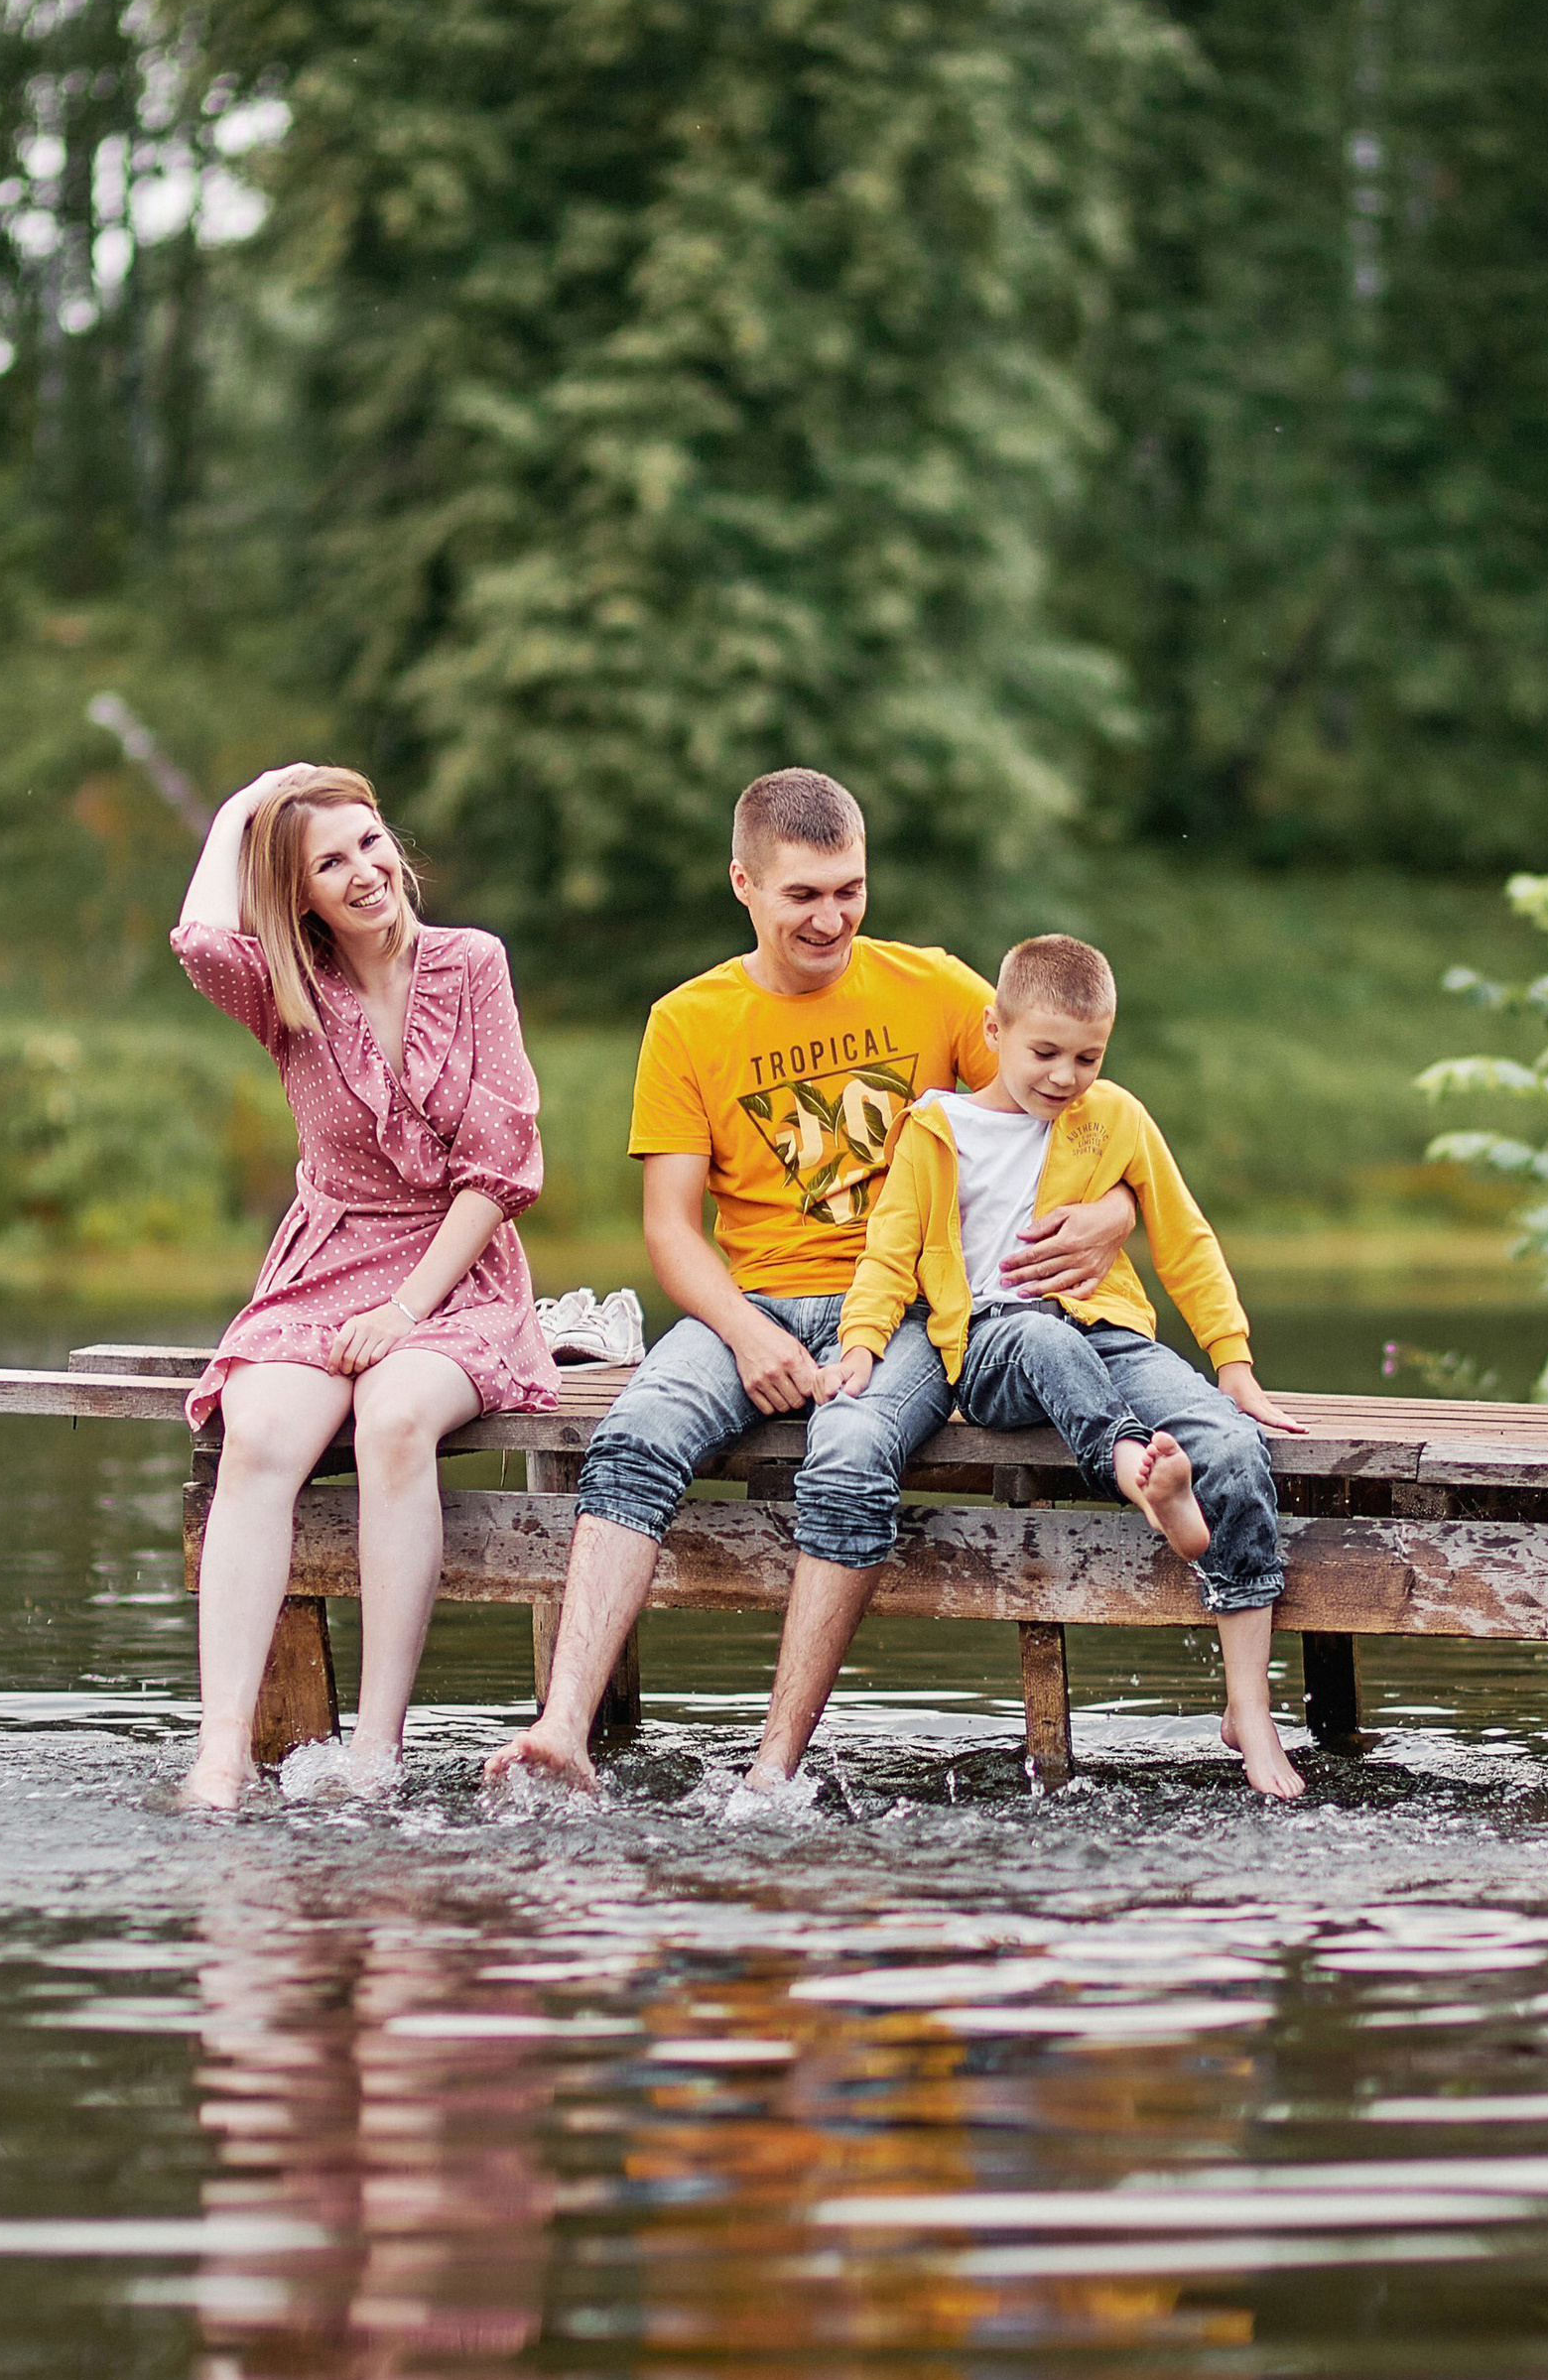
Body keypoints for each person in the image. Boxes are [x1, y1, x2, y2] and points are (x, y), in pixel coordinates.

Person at [484, 769, 1140, 1796]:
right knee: (636, 1435)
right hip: (746, 1301)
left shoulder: (938, 991)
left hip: (908, 1308)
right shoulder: (688, 1021)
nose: (831, 917)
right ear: (743, 882)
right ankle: (560, 1733)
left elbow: (1078, 1101)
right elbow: (670, 1230)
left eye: (850, 888)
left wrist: (1118, 1213)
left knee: (845, 1457)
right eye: (803, 894)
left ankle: (768, 1776)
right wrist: (746, 1335)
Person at [825, 933, 1311, 1799]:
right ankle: (1139, 1472)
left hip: (1107, 1334)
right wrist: (861, 1344)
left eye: (1088, 1056)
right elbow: (888, 1253)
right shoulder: (937, 1130)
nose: (1064, 1076)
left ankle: (1249, 1709)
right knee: (1045, 1341)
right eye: (1044, 1052)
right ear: (994, 1029)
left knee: (1231, 1448)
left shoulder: (1115, 1118)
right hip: (993, 1347)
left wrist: (1233, 1366)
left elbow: (1186, 1240)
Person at [173, 763, 560, 1809]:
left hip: (456, 1269)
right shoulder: (286, 989)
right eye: (328, 862)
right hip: (326, 1262)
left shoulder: (471, 963)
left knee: (393, 1419)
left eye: (370, 843)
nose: (362, 871)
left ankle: (376, 1753)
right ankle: (219, 1754)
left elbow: (500, 1170)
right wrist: (245, 804)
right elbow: (201, 937)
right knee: (256, 1437)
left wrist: (403, 1315)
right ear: (297, 894)